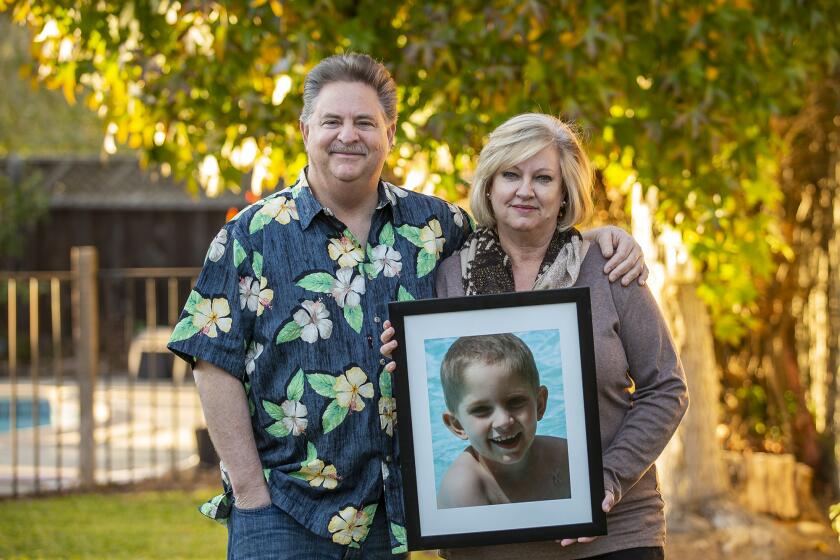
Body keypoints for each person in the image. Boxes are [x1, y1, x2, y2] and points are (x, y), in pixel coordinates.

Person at [167, 53, 648, 560]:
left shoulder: (435, 227)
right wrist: (250, 495)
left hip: (384, 516)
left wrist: (597, 239)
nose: (347, 135)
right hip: (284, 512)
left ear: (390, 134)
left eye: (365, 122)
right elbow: (211, 364)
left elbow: (522, 235)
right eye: (332, 121)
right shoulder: (249, 236)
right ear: (305, 129)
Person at [381, 112, 689, 560]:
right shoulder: (448, 277)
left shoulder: (609, 269)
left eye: (543, 178)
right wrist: (402, 357)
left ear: (565, 194)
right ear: (489, 184)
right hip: (490, 546)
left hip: (614, 534)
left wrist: (609, 477)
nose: (525, 190)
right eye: (511, 174)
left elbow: (667, 388)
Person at [437, 333, 570, 509]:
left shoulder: (566, 456)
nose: (503, 422)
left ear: (539, 404)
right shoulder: (462, 488)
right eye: (481, 410)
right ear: (458, 425)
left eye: (515, 402)